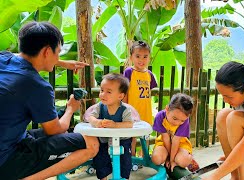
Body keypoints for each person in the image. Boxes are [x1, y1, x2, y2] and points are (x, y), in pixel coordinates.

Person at [0, 21, 99, 180]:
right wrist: (70, 109)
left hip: (11, 141)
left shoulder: (3, 58)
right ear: (47, 51)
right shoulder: (37, 85)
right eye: (58, 52)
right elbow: (55, 130)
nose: (58, 57)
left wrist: (61, 62)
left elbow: (23, 56)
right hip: (6, 160)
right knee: (91, 143)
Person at [87, 73, 133, 180]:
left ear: (120, 96)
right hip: (104, 140)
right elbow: (90, 117)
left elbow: (129, 124)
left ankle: (123, 177)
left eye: (108, 92)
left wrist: (115, 125)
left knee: (125, 161)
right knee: (100, 158)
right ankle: (103, 177)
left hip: (122, 140)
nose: (103, 94)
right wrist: (97, 122)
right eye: (102, 90)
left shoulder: (125, 110)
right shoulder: (100, 106)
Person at [123, 40, 157, 156]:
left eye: (145, 57)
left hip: (146, 112)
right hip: (132, 112)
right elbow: (125, 92)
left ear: (149, 58)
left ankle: (145, 158)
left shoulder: (149, 74)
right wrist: (125, 108)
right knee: (132, 137)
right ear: (131, 57)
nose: (141, 60)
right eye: (138, 56)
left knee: (145, 136)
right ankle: (131, 159)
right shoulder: (129, 72)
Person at [151, 93, 195, 172]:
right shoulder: (160, 116)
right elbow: (166, 138)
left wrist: (172, 161)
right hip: (164, 143)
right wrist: (168, 158)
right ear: (167, 109)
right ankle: (172, 156)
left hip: (180, 144)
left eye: (182, 121)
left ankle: (189, 158)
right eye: (175, 118)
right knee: (156, 159)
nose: (177, 123)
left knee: (182, 161)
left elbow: (176, 141)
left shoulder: (185, 121)